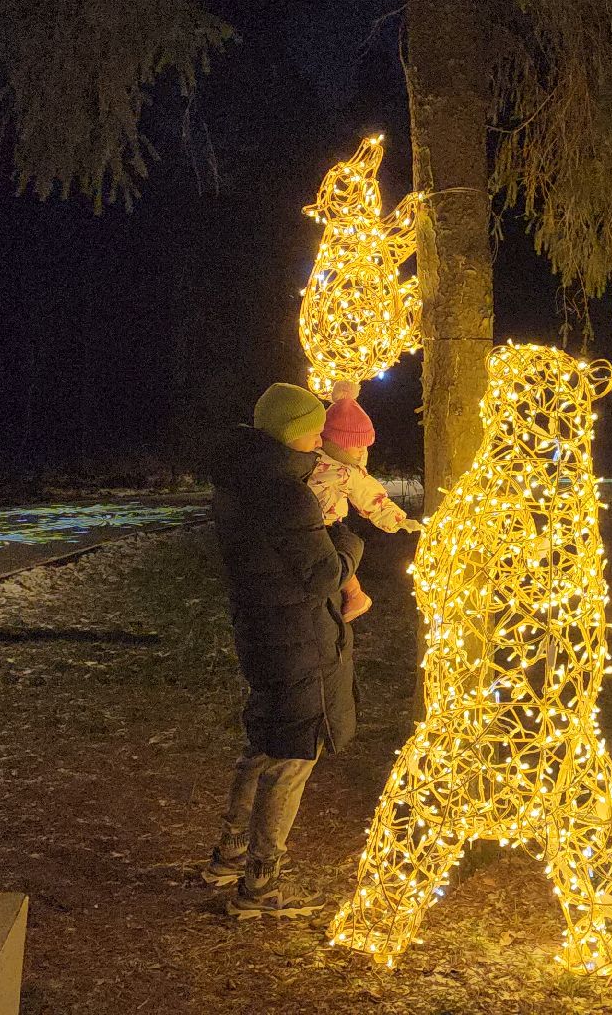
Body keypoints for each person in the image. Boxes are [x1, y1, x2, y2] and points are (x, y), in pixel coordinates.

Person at [203, 382, 363, 919]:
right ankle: (260, 884)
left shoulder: (240, 481)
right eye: (315, 431)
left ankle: (230, 853)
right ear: (292, 434)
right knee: (295, 753)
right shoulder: (283, 493)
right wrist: (349, 542)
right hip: (297, 638)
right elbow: (321, 574)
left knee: (266, 741)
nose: (321, 441)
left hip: (264, 632)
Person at [308, 380, 421, 623]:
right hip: (319, 524)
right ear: (335, 444)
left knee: (329, 559)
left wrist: (400, 520)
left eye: (364, 447)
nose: (361, 452)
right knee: (328, 560)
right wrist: (399, 520)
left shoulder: (321, 461)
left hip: (322, 523)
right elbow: (372, 498)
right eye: (354, 446)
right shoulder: (339, 470)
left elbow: (372, 497)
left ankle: (354, 595)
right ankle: (354, 596)